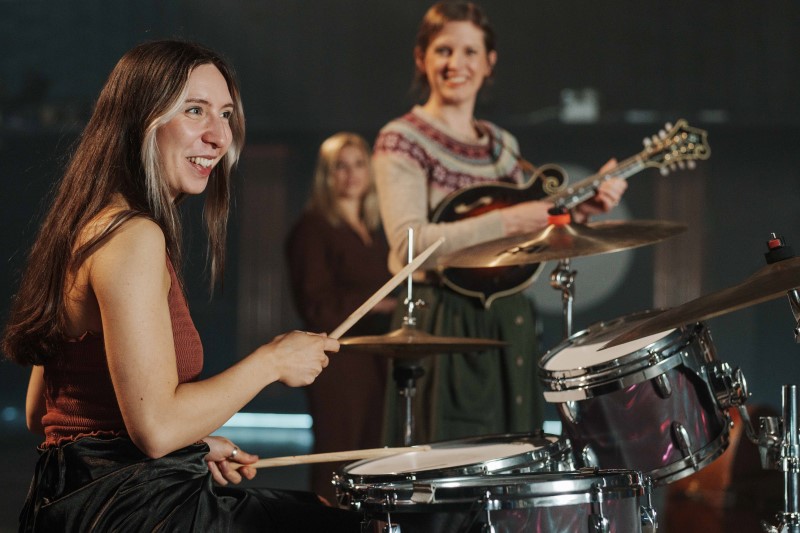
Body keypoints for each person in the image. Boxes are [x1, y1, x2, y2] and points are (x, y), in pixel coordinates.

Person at [2, 40, 362, 532]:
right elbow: (155, 429)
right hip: (126, 510)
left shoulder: (85, 225)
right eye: (196, 111)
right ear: (140, 120)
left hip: (76, 500)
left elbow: (42, 413)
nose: (219, 137)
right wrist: (272, 361)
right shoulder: (132, 237)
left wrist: (191, 450)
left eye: (227, 114)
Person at [372, 1, 628, 445]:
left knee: (512, 468)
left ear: (490, 62)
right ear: (422, 58)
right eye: (444, 50)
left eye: (470, 52)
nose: (457, 63)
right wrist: (507, 220)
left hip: (511, 320)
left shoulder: (501, 145)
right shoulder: (403, 138)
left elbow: (528, 236)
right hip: (444, 321)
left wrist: (581, 213)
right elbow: (408, 246)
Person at [285, 132, 397, 503]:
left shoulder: (376, 233)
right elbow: (315, 305)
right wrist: (377, 304)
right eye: (341, 166)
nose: (351, 175)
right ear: (326, 175)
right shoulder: (312, 229)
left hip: (377, 361)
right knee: (336, 464)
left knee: (373, 462)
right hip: (338, 365)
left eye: (359, 164)